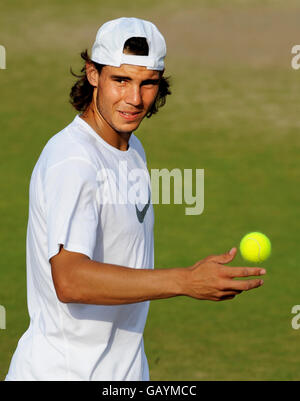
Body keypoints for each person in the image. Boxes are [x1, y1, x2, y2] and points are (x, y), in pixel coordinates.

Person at [5, 17, 266, 381]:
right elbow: (70, 280)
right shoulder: (74, 161)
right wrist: (185, 281)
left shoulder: (130, 148)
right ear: (92, 74)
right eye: (121, 80)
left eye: (148, 84)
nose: (134, 99)